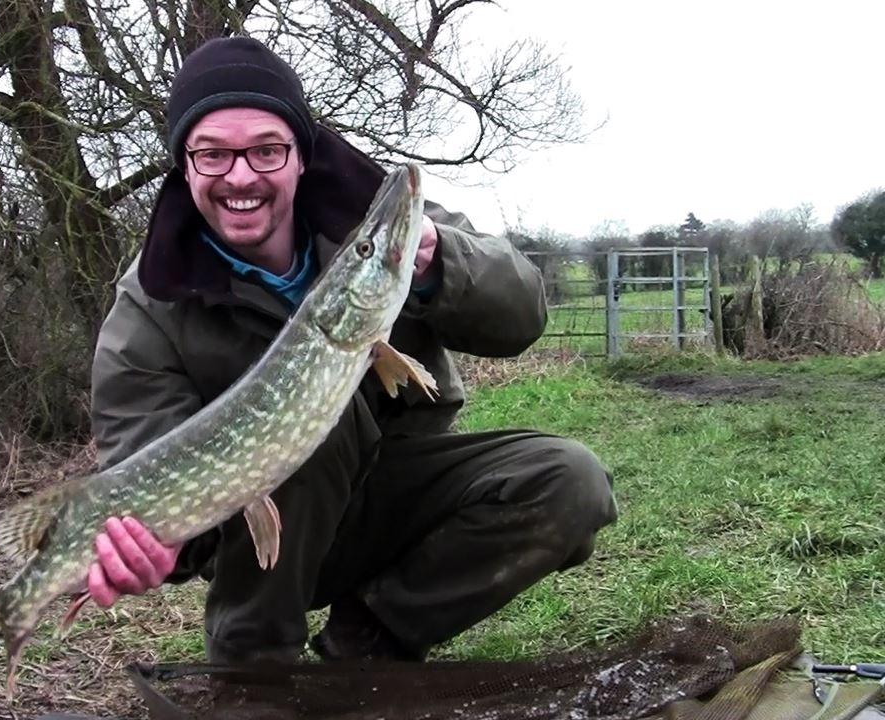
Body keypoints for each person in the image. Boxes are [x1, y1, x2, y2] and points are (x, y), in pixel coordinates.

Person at [83, 36, 618, 665]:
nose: (241, 176)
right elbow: (150, 470)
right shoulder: (149, 305)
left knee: (570, 481)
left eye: (266, 149)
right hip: (272, 543)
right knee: (300, 429)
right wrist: (157, 544)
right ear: (185, 166)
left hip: (401, 492)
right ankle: (255, 667)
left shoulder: (374, 224)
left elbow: (522, 315)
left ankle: (370, 638)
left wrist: (442, 261)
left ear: (300, 156)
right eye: (212, 155)